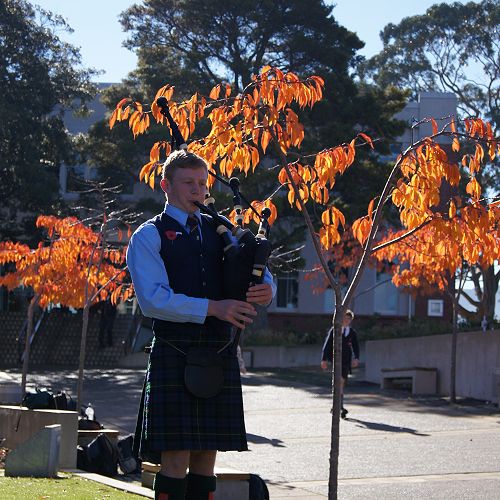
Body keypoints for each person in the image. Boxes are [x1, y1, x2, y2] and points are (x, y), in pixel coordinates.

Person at [126, 149, 275, 500]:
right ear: (166, 185)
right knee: (175, 457)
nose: (198, 190)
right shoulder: (149, 236)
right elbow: (153, 300)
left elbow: (256, 266)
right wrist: (214, 308)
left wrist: (268, 288)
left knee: (207, 455)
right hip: (174, 349)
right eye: (188, 183)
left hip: (217, 349)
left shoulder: (222, 229)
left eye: (202, 183)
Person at [320, 309, 360, 419]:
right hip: (336, 359)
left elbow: (356, 347)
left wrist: (356, 358)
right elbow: (327, 345)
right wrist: (324, 359)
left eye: (349, 319)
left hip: (346, 361)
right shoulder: (335, 330)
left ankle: (336, 405)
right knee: (339, 382)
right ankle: (339, 406)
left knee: (341, 383)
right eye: (345, 318)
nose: (346, 321)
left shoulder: (352, 333)